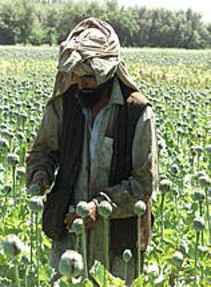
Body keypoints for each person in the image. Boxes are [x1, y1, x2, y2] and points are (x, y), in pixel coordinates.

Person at [26, 18, 157, 285]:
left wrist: (100, 206)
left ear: (108, 73)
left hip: (118, 245)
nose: (80, 83)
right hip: (68, 238)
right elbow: (44, 151)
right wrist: (40, 173)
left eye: (89, 77)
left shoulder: (137, 113)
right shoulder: (63, 105)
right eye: (75, 75)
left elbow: (144, 182)